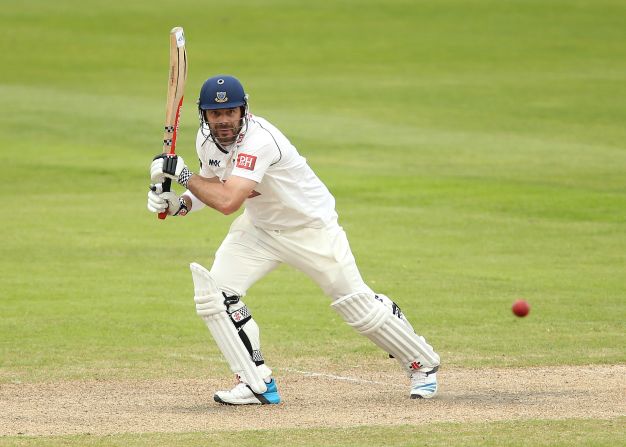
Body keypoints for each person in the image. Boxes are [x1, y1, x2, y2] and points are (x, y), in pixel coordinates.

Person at [147, 75, 440, 405]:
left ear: (244, 110)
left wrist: (182, 174)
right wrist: (180, 204)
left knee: (356, 306)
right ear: (204, 116)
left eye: (231, 111)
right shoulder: (206, 140)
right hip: (259, 230)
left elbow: (228, 201)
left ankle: (422, 363)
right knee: (216, 296)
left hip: (310, 228)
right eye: (216, 114)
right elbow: (212, 184)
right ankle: (256, 383)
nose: (224, 120)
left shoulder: (261, 140)